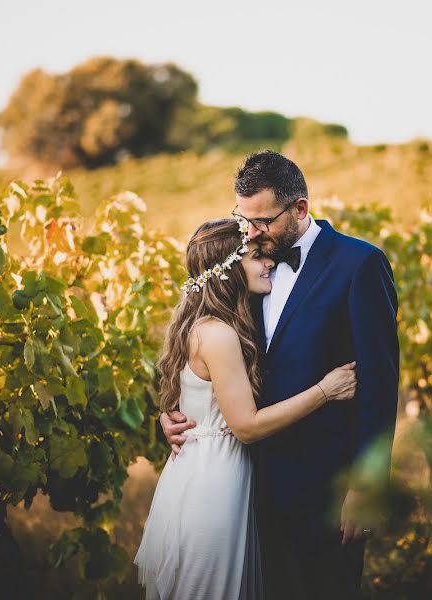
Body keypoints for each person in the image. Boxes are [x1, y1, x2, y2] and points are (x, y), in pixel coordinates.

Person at [162, 151, 399, 599]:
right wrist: (174, 416)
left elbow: (380, 388)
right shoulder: (247, 269)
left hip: (325, 492)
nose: (251, 231)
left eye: (263, 221)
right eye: (243, 218)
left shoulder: (360, 266)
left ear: (300, 209)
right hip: (247, 490)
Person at [134, 218, 358, 600]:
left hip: (206, 472)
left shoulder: (207, 323)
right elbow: (247, 427)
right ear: (228, 270)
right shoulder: (219, 334)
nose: (268, 262)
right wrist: (326, 389)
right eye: (256, 257)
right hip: (213, 486)